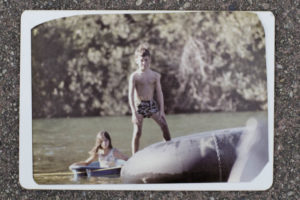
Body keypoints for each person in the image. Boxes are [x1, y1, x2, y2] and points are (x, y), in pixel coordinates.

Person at [128, 44, 171, 155]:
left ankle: (169, 149)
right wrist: (133, 113)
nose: (144, 63)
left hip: (151, 104)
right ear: (137, 61)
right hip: (139, 105)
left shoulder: (155, 76)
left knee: (164, 126)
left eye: (146, 60)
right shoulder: (135, 76)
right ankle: (134, 157)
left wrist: (162, 110)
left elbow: (160, 93)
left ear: (150, 60)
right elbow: (130, 94)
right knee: (137, 132)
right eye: (141, 60)